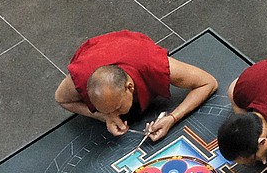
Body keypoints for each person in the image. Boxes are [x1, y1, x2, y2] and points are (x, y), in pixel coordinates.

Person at [55, 30, 218, 140]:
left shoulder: (152, 64)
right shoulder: (81, 76)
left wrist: (172, 118)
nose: (115, 114)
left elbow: (208, 82)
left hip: (132, 48)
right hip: (96, 53)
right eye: (107, 109)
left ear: (130, 88)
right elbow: (62, 99)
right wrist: (104, 116)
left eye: (117, 108)